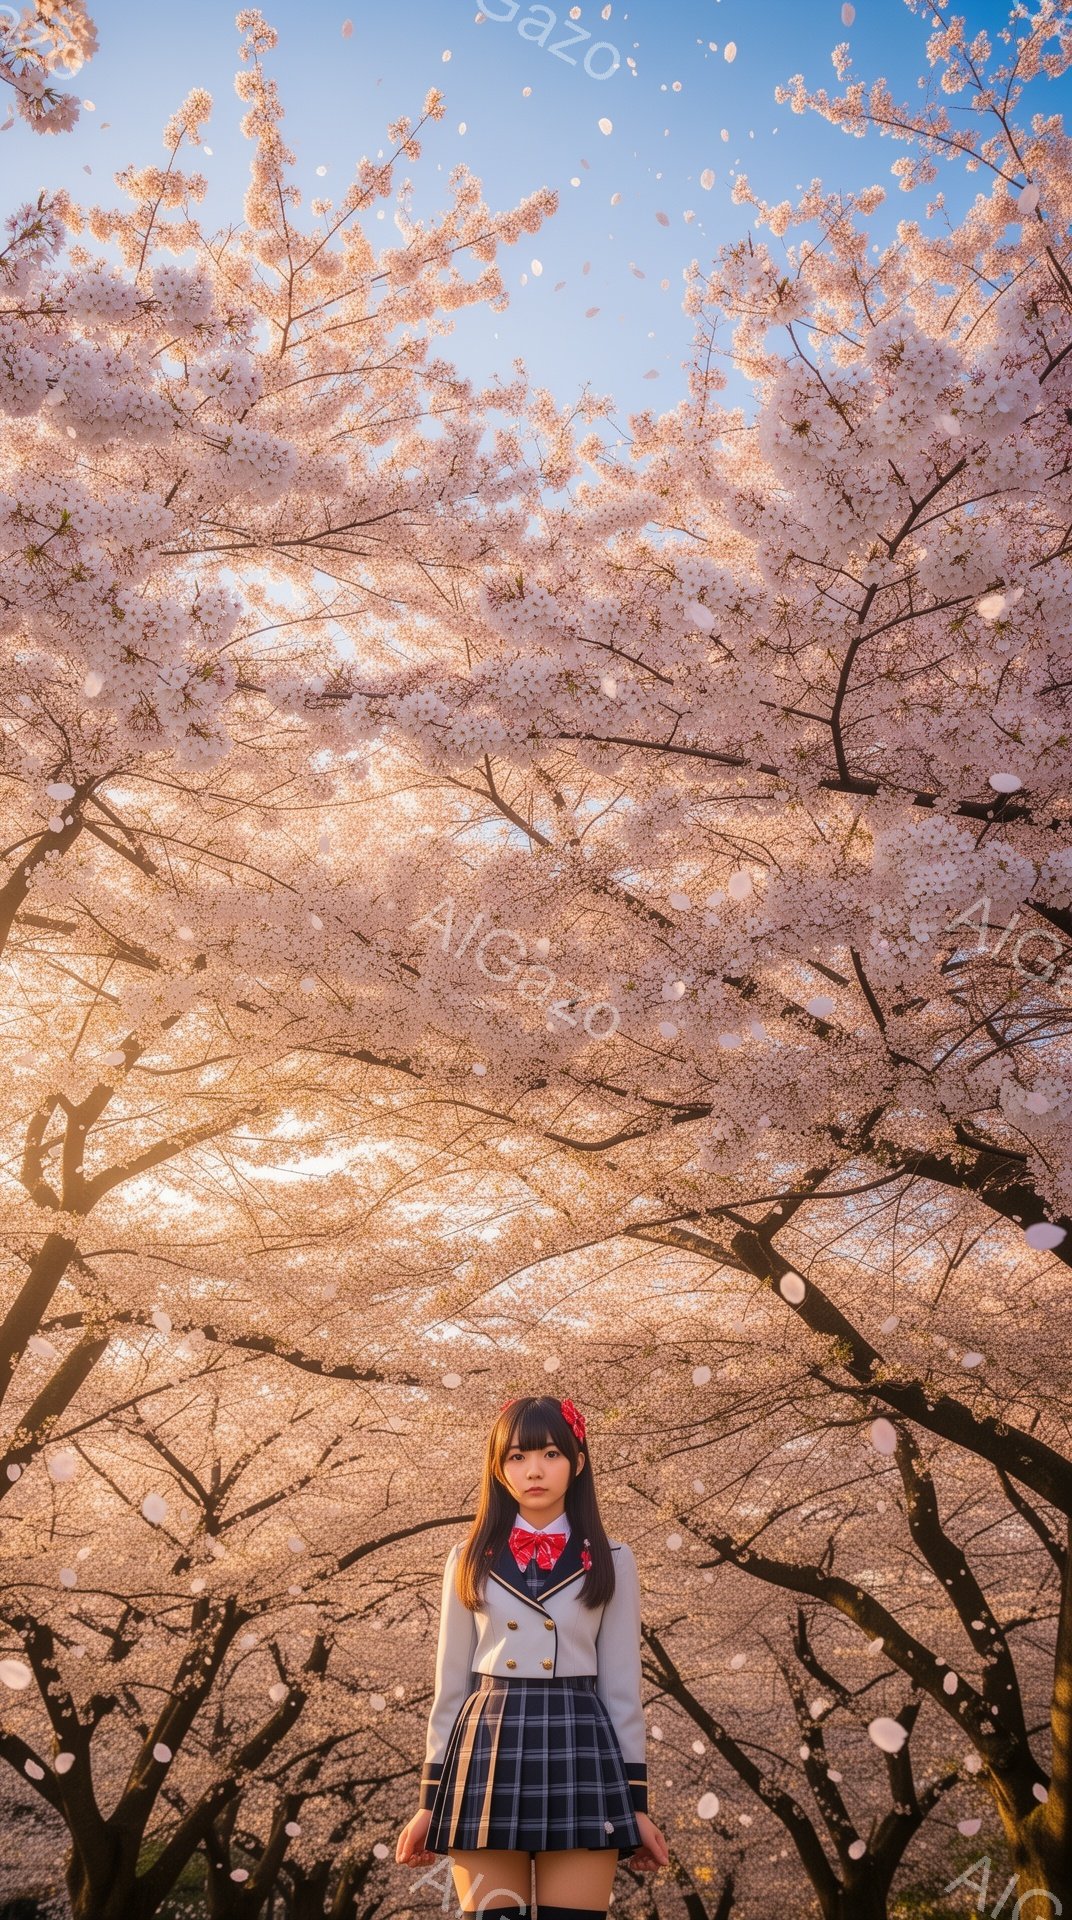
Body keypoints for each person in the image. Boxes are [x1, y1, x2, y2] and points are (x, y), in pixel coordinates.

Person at [395, 1394, 670, 1919]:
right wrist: (430, 1802)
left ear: (578, 1462)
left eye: (550, 1454)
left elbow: (621, 1690)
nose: (534, 1470)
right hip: (487, 1746)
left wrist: (636, 1804)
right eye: (517, 1457)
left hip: (579, 1741)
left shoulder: (613, 1560)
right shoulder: (467, 1556)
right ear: (499, 1470)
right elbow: (451, 1688)